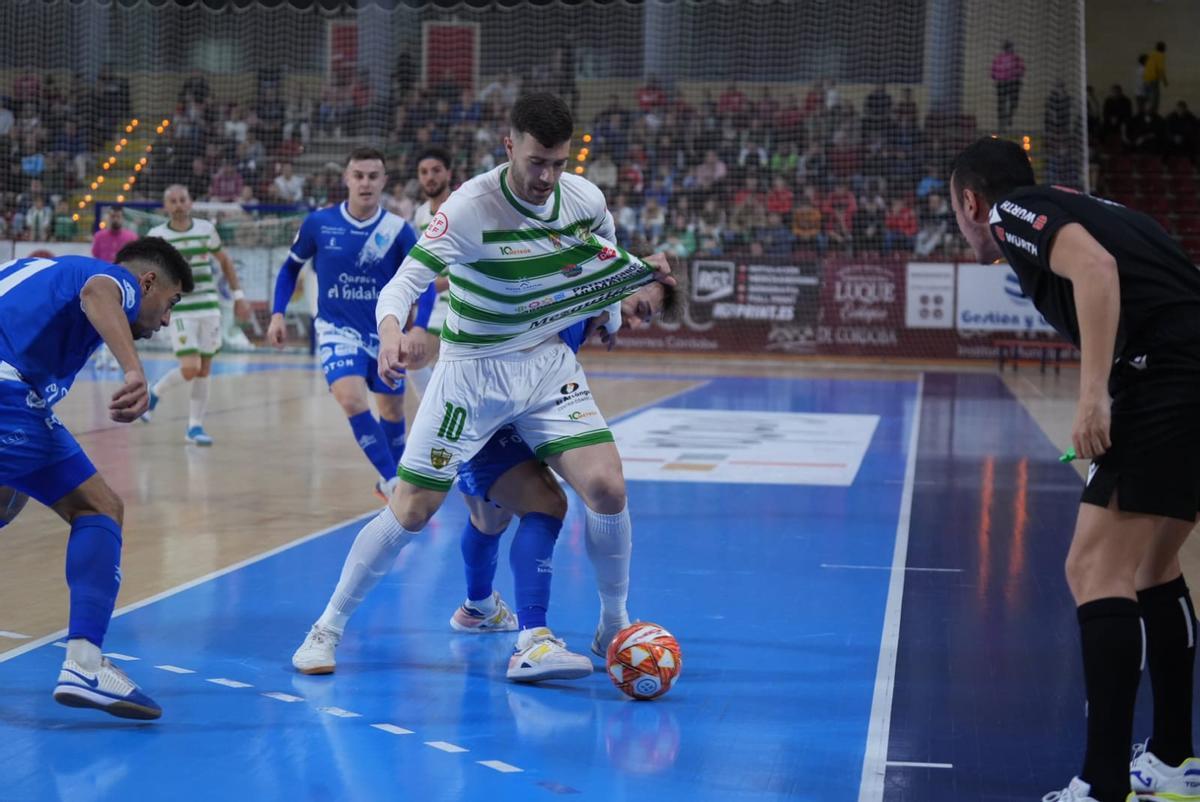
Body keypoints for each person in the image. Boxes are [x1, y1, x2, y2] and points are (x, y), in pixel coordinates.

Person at [291, 93, 673, 683]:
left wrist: (624, 307)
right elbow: (402, 285)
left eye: (558, 163)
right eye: (536, 161)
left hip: (547, 367)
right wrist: (391, 330)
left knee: (606, 487)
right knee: (414, 509)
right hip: (473, 378)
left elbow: (603, 272)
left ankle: (612, 626)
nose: (547, 176)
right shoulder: (470, 207)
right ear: (509, 145)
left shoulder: (586, 201)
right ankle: (327, 628)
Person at [949, 137, 1200, 802]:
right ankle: (1175, 761)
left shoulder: (1010, 213)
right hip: (1187, 374)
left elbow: (1096, 271)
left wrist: (1094, 396)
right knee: (1153, 567)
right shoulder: (1090, 205)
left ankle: (1102, 785)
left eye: (956, 209)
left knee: (1092, 569)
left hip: (1167, 378)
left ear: (970, 201)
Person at [0, 239, 193, 720]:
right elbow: (99, 293)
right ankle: (85, 663)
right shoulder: (115, 281)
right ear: (147, 283)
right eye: (169, 303)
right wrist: (133, 370)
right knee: (99, 507)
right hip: (6, 393)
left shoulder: (36, 272)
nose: (166, 319)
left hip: (16, 398)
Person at [445, 281, 676, 638]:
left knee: (512, 510)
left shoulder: (597, 312)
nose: (640, 324)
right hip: (482, 398)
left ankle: (482, 609)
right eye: (642, 310)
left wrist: (610, 315)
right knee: (486, 514)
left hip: (527, 405)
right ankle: (330, 626)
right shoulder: (576, 278)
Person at [267, 148, 435, 499]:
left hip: (384, 335)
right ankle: (393, 482)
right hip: (336, 330)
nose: (365, 183)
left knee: (391, 409)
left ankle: (395, 478)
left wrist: (417, 327)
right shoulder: (319, 223)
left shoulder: (397, 230)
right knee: (350, 398)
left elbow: (427, 283)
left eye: (373, 176)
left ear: (384, 181)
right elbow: (289, 269)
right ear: (347, 179)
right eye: (358, 175)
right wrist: (278, 312)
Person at [141, 185, 250, 445]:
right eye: (173, 201)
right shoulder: (157, 236)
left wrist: (238, 296)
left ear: (190, 203)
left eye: (182, 200)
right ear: (166, 206)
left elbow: (224, 261)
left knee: (204, 369)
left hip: (209, 306)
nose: (178, 205)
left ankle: (194, 427)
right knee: (190, 368)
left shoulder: (205, 230)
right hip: (179, 308)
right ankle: (155, 392)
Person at [406, 147, 454, 396]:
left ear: (448, 173)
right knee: (414, 360)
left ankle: (439, 419)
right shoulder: (420, 213)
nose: (430, 177)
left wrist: (441, 283)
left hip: (462, 300)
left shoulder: (461, 206)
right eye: (424, 172)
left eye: (436, 170)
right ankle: (440, 418)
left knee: (415, 360)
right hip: (434, 304)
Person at [990, 40, 1026, 133]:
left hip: (1012, 82)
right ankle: (1001, 124)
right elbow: (994, 70)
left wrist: (1017, 76)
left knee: (1013, 103)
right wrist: (996, 77)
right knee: (1002, 103)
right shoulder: (1000, 59)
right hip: (1003, 83)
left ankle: (1008, 117)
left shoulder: (1016, 58)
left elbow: (1022, 69)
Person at [1143, 41, 1168, 117]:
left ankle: (1146, 116)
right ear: (1163, 48)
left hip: (1146, 80)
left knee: (1148, 100)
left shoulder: (1152, 55)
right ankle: (1153, 117)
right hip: (1153, 80)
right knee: (1155, 101)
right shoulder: (1160, 55)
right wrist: (1165, 81)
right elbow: (1160, 69)